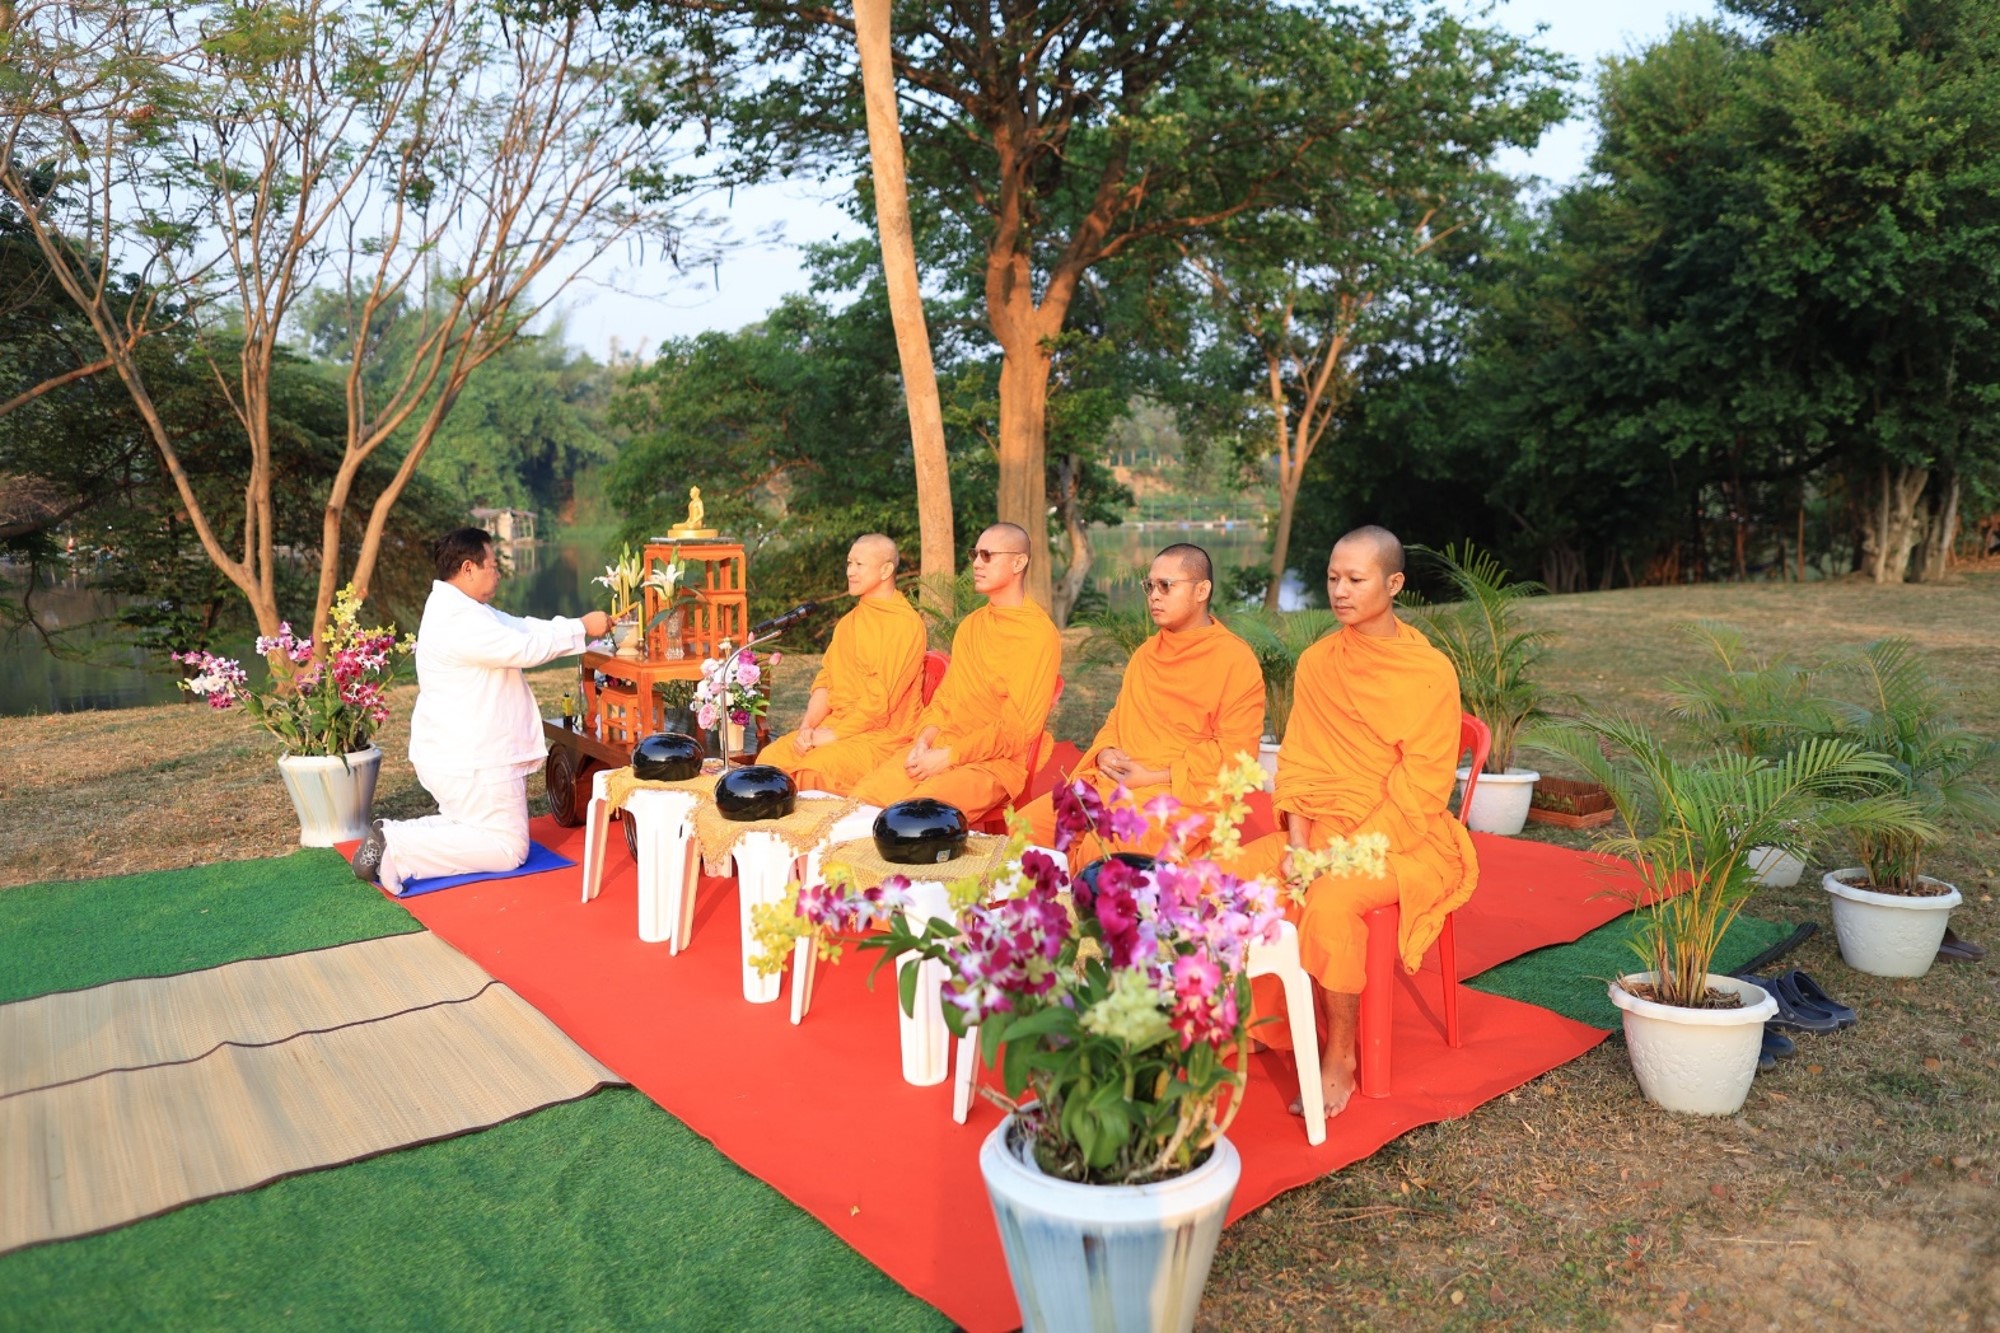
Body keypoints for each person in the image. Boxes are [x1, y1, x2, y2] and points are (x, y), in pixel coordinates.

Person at [1232, 525, 1478, 1120]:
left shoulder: (1428, 672)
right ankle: (1265, 1023)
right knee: (1229, 875)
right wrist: (1297, 843)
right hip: (1318, 828)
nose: (1339, 591)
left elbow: (1420, 791)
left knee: (1331, 902)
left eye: (1355, 580)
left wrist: (1336, 856)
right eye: (1332, 579)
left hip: (1403, 840)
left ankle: (1339, 1053)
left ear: (1393, 584)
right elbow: (1300, 761)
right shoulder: (1319, 661)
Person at [350, 527, 610, 893]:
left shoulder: (460, 607)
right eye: (492, 566)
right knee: (508, 848)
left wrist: (578, 628)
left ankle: (390, 834)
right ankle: (400, 847)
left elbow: (521, 627)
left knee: (467, 826)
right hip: (474, 758)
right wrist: (583, 627)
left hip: (458, 753)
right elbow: (523, 649)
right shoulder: (459, 620)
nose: (498, 573)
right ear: (468, 568)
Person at [1019, 543, 1263, 860]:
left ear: (1201, 590)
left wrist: (1153, 777)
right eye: (1150, 586)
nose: (1154, 595)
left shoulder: (1235, 661)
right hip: (1115, 784)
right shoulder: (1147, 653)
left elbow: (1236, 756)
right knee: (1026, 829)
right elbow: (1118, 720)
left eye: (1166, 586)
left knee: (1103, 848)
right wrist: (1105, 752)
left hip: (1179, 794)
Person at [849, 522, 1060, 821]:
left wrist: (950, 757)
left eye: (987, 555)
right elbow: (946, 699)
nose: (976, 563)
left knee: (912, 818)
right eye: (975, 554)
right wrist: (924, 740)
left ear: (1019, 562)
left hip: (991, 764)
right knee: (861, 802)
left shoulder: (1038, 635)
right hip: (942, 745)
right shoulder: (972, 625)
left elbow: (1016, 729)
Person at [757, 533, 926, 794]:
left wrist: (835, 736)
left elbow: (879, 703)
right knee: (770, 761)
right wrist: (807, 727)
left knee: (814, 771)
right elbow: (826, 681)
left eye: (859, 565)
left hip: (882, 736)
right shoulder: (849, 622)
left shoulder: (904, 624)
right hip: (837, 725)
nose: (850, 571)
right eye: (849, 563)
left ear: (886, 570)